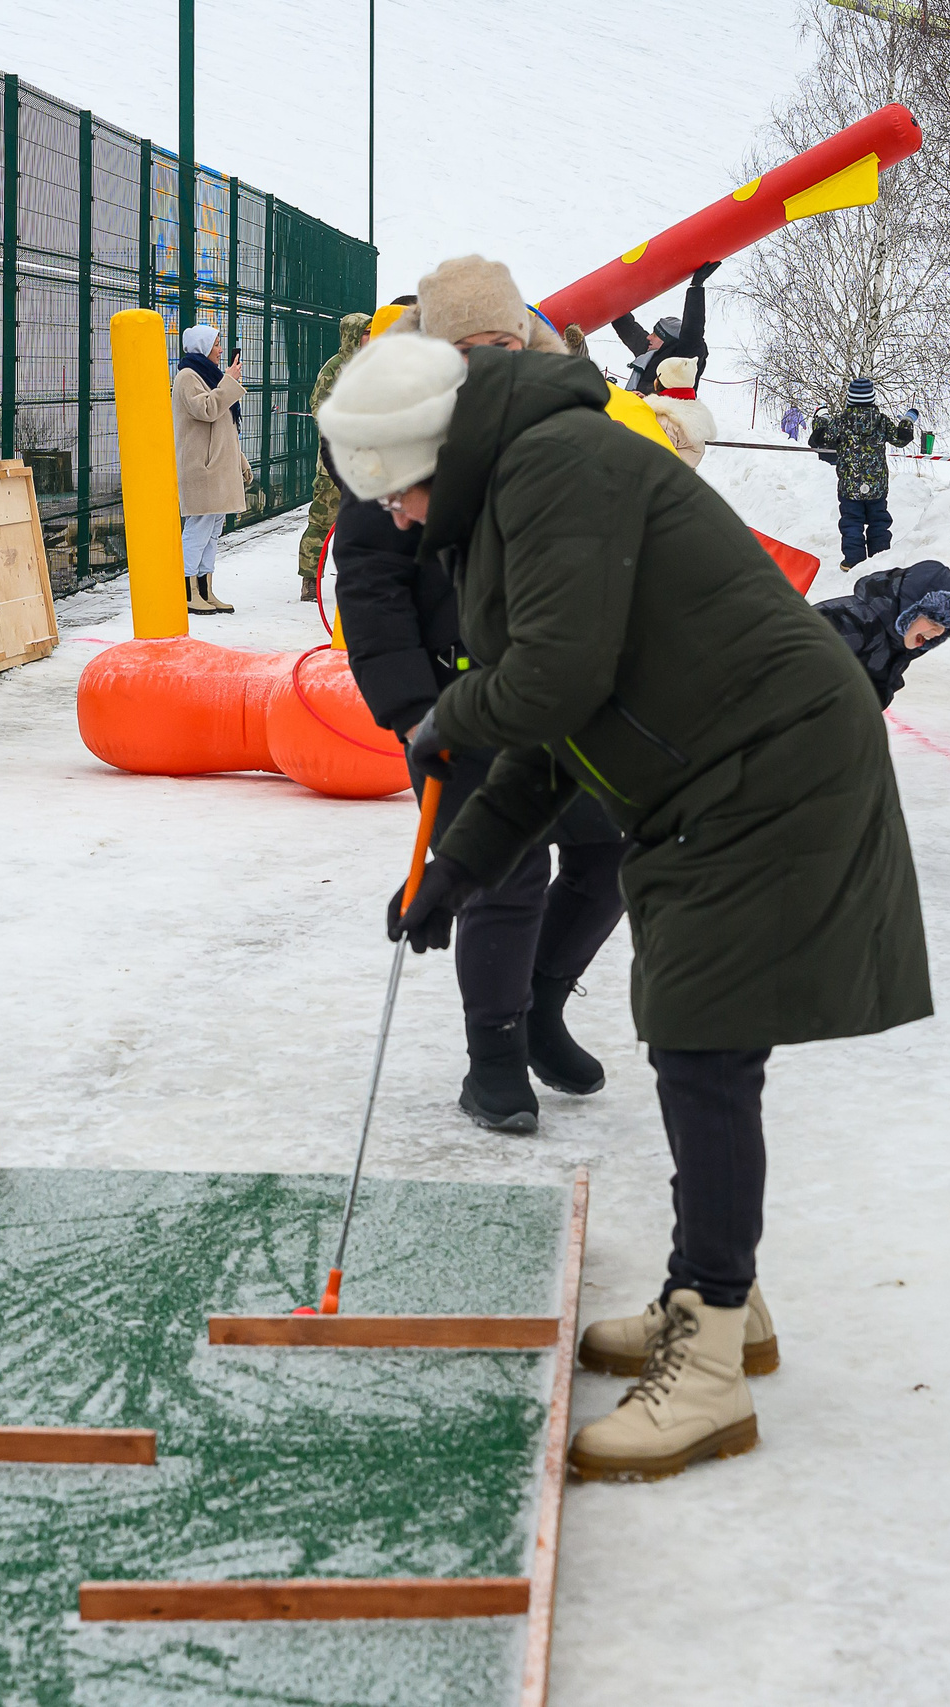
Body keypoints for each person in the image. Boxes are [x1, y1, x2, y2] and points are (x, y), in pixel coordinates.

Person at [319, 330, 931, 1482]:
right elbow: (560, 718)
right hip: (719, 764)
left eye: (394, 493)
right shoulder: (520, 480)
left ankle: (707, 1364)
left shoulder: (554, 467)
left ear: (429, 455)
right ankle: (717, 1305)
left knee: (702, 1041)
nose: (395, 519)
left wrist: (445, 722)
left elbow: (552, 677)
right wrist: (463, 862)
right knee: (700, 1039)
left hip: (765, 764)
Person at [333, 255, 628, 1133]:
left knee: (610, 847)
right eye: (470, 348)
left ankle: (541, 1005)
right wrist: (410, 709)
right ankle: (493, 1052)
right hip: (451, 693)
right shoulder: (399, 432)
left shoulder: (563, 425)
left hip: (556, 687)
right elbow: (371, 580)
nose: (492, 361)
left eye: (505, 341)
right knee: (505, 866)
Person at [815, 559, 950, 708]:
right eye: (933, 621)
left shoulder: (897, 645)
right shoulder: (844, 623)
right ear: (907, 609)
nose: (939, 631)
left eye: (946, 627)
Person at [295, 311, 374, 604]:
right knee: (322, 522)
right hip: (334, 464)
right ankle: (310, 580)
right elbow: (319, 407)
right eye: (365, 333)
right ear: (353, 335)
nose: (370, 338)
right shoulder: (334, 368)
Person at [172, 323, 248, 616]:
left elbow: (224, 427)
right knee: (199, 528)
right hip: (201, 468)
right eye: (216, 344)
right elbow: (207, 410)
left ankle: (204, 589)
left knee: (213, 529)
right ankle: (186, 590)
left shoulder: (208, 375)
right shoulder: (187, 377)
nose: (220, 349)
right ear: (203, 346)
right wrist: (229, 382)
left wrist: (240, 461)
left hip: (216, 468)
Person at [806, 376, 914, 569]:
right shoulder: (882, 421)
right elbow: (901, 438)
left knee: (851, 522)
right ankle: (880, 559)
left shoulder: (841, 422)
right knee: (879, 521)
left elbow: (818, 439)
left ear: (850, 399)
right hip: (877, 487)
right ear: (872, 399)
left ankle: (853, 561)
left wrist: (821, 418)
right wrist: (907, 420)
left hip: (849, 486)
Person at [611, 262, 718, 396]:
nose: (649, 337)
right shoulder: (648, 352)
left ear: (667, 340)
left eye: (655, 335)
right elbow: (627, 327)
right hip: (635, 408)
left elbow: (693, 329)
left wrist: (696, 287)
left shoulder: (684, 359)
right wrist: (610, 298)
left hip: (664, 410)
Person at [644, 357, 716, 467]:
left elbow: (653, 458)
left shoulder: (665, 419)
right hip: (681, 474)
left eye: (658, 376)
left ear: (663, 381)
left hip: (660, 475)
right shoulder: (694, 413)